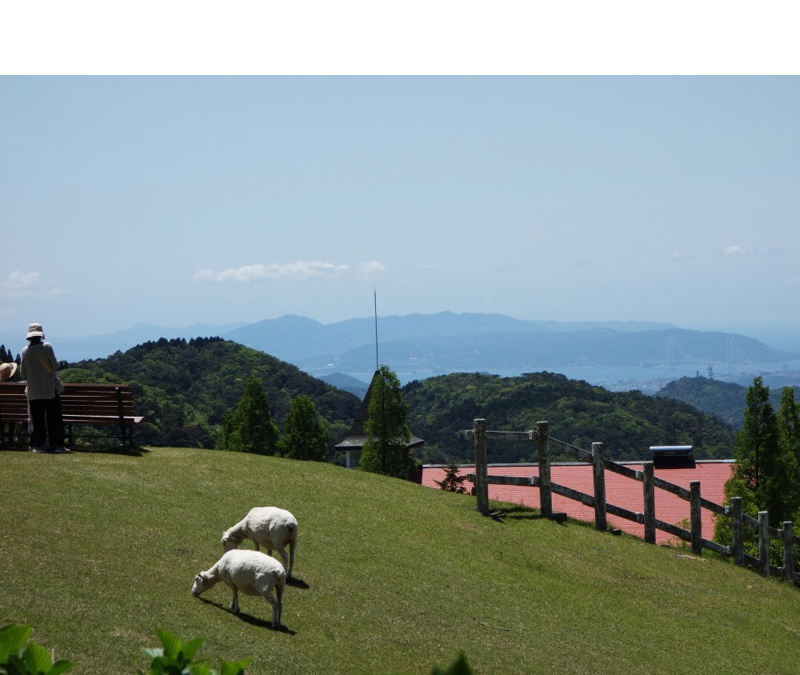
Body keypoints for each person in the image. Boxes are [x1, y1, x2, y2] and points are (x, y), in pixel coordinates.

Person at [20, 323, 69, 453]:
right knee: (54, 418)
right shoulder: (47, 347)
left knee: (37, 419)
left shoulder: (25, 350)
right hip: (49, 389)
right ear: (41, 335)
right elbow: (54, 366)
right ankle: (57, 445)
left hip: (33, 390)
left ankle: (38, 445)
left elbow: (23, 372)